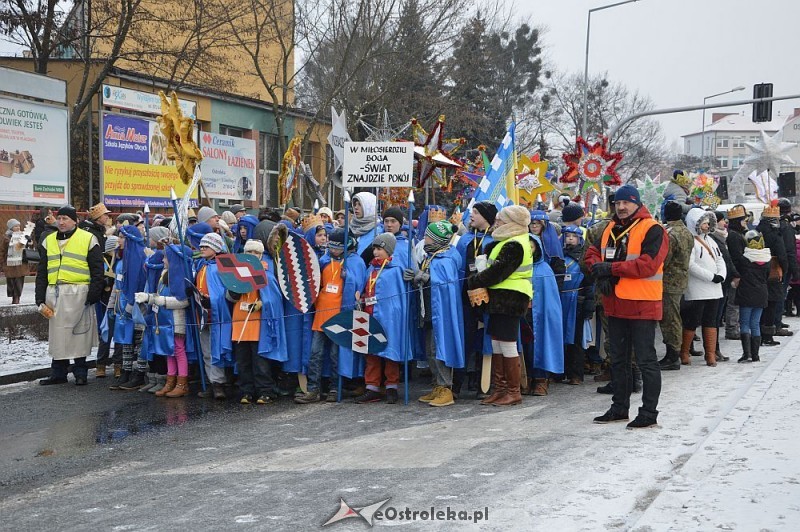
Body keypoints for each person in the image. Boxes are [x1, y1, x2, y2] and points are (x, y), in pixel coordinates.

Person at [585, 185, 667, 429]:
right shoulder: (610, 228)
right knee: (618, 360)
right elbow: (591, 252)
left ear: (637, 204)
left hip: (642, 303)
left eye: (626, 203)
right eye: (617, 203)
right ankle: (619, 408)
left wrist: (610, 269)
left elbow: (648, 265)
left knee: (646, 361)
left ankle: (649, 413)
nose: (620, 207)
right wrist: (597, 269)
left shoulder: (653, 229)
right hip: (615, 302)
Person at [466, 205, 533, 407]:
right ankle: (500, 388)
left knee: (507, 344)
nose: (497, 223)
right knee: (496, 343)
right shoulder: (504, 241)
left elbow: (498, 272)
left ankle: (512, 391)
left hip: (510, 298)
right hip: (499, 298)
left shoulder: (515, 244)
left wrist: (474, 280)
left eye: (501, 221)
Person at [35, 205, 104, 386]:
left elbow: (98, 270)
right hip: (55, 293)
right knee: (58, 336)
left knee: (79, 334)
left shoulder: (88, 239)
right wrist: (39, 297)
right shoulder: (48, 240)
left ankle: (80, 372)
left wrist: (94, 294)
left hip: (78, 293)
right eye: (59, 218)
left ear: (75, 221)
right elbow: (42, 271)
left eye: (65, 218)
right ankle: (58, 372)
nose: (61, 222)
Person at [296, 228, 366, 403]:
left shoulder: (354, 262)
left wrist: (348, 277)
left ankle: (335, 388)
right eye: (331, 246)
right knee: (315, 354)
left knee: (336, 355)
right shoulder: (324, 261)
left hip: (340, 318)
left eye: (337, 247)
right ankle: (313, 390)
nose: (332, 250)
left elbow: (359, 285)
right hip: (321, 315)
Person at [407, 221, 464, 407]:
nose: (425, 239)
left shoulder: (446, 259)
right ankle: (437, 385)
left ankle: (446, 387)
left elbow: (446, 285)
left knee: (439, 349)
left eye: (429, 236)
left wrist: (429, 278)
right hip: (429, 310)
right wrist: (416, 279)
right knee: (430, 350)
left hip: (441, 312)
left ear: (438, 239)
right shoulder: (432, 256)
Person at [135, 243, 195, 397]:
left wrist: (157, 300)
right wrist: (148, 298)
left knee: (178, 350)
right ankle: (170, 381)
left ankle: (182, 383)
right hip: (163, 320)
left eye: (167, 257)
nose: (163, 260)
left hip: (176, 321)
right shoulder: (165, 274)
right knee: (169, 351)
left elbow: (183, 301)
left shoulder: (183, 276)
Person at [355, 233, 407, 404]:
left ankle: (392, 386)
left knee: (389, 351)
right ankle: (372, 387)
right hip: (370, 315)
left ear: (388, 250)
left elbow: (398, 295)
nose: (376, 252)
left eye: (379, 249)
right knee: (371, 353)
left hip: (389, 317)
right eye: (374, 249)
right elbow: (366, 289)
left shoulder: (395, 270)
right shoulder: (370, 269)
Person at [455, 201, 496, 396]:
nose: (471, 215)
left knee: (486, 340)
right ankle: (456, 385)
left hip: (488, 297)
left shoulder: (494, 240)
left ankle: (484, 383)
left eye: (476, 212)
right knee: (465, 339)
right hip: (466, 296)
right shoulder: (465, 239)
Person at [679, 209, 727, 367]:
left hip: (714, 288)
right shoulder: (691, 241)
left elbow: (720, 258)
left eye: (708, 223)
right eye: (704, 223)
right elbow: (690, 265)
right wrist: (711, 276)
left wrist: (721, 274)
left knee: (711, 321)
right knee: (692, 321)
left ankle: (710, 354)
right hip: (698, 289)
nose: (707, 226)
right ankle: (684, 352)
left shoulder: (711, 241)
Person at [194, 232, 234, 399]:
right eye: (201, 245)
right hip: (203, 315)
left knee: (218, 348)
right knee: (206, 351)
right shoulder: (202, 266)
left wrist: (214, 301)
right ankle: (212, 381)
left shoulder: (223, 265)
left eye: (206, 246)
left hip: (219, 313)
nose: (202, 248)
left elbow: (227, 290)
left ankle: (220, 383)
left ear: (216, 248)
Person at [656, 201, 695, 370]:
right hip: (681, 280)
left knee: (670, 319)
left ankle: (672, 355)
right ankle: (674, 353)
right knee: (675, 318)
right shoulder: (686, 232)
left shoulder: (669, 234)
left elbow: (664, 259)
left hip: (668, 282)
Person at [735, 231, 770, 363]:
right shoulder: (767, 259)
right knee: (755, 323)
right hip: (761, 294)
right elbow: (766, 277)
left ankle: (747, 353)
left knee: (744, 323)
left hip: (746, 293)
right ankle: (756, 355)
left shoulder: (744, 259)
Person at [709, 211, 739, 362]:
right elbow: (723, 259)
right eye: (721, 220)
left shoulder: (721, 237)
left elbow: (726, 259)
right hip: (717, 282)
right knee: (713, 317)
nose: (724, 223)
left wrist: (734, 273)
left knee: (717, 316)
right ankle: (713, 350)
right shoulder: (713, 238)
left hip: (724, 280)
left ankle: (715, 349)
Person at [757, 205, 789, 346]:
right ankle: (768, 336)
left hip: (758, 270)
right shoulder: (775, 235)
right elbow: (782, 255)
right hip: (773, 270)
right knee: (772, 304)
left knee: (761, 304)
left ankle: (758, 333)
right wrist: (785, 268)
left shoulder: (756, 232)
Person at [725, 205, 750, 340]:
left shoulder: (738, 234)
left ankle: (735, 327)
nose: (745, 223)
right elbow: (736, 257)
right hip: (737, 273)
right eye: (743, 221)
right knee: (733, 303)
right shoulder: (734, 236)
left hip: (740, 271)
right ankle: (732, 329)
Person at [1, 219, 29, 304]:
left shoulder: (23, 235)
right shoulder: (6, 237)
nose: (18, 228)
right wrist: (2, 262)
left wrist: (29, 240)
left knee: (19, 281)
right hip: (10, 264)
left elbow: (27, 248)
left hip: (21, 263)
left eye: (18, 226)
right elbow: (2, 250)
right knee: (11, 282)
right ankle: (13, 296)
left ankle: (17, 298)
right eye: (15, 226)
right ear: (11, 228)